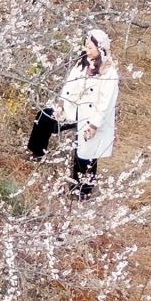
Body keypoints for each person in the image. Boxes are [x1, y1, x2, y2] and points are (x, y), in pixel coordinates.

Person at [53, 28, 119, 199]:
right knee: (78, 151)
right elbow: (70, 85)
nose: (87, 51)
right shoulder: (81, 64)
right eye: (86, 47)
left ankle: (84, 192)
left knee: (89, 155)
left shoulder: (108, 71)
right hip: (79, 113)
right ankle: (74, 189)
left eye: (90, 48)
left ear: (101, 49)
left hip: (95, 119)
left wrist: (95, 123)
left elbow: (106, 100)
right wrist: (62, 104)